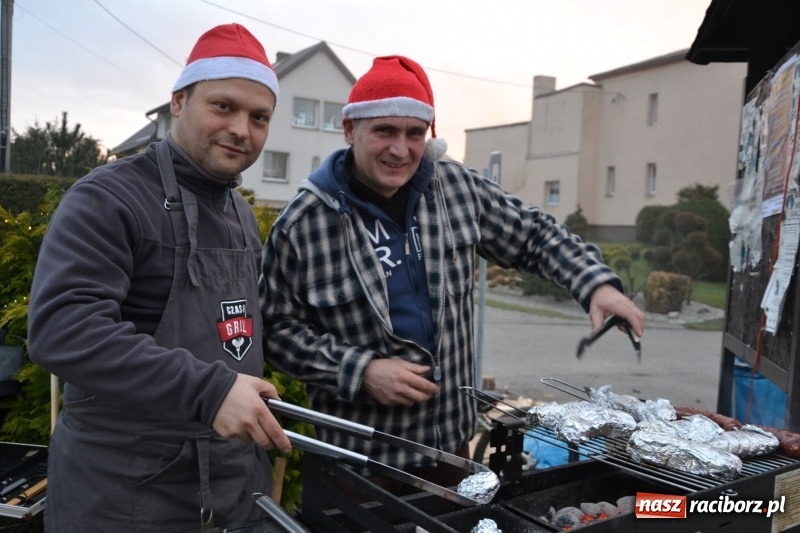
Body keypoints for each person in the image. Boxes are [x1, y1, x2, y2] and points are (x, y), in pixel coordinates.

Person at [259, 55, 645, 491]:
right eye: (384, 130)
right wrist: (360, 370)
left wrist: (593, 283)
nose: (400, 149)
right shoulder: (304, 222)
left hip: (451, 449)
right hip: (358, 459)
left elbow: (533, 235)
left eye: (414, 133)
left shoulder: (456, 189)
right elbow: (275, 331)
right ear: (350, 130)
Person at [27, 23, 291, 532]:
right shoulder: (108, 198)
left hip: (230, 489)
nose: (242, 128)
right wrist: (209, 391)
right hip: (125, 497)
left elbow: (236, 336)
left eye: (259, 118)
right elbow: (64, 329)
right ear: (178, 102)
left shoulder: (238, 210)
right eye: (223, 106)